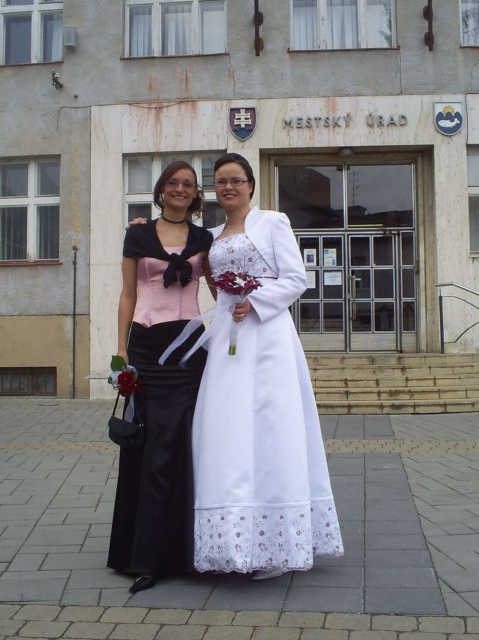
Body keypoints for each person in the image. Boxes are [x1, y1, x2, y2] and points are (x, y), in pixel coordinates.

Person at [187, 153, 344, 578]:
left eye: (236, 180)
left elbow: (296, 278)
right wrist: (139, 228)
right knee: (225, 428)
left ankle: (277, 544)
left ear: (251, 185)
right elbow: (176, 253)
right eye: (221, 181)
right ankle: (230, 541)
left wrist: (255, 301)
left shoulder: (273, 223)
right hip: (227, 341)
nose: (228, 187)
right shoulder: (210, 236)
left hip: (269, 337)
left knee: (273, 428)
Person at [107, 161, 213, 593]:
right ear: (161, 189)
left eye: (188, 184)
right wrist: (121, 348)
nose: (180, 189)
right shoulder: (138, 235)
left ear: (195, 193)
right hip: (148, 347)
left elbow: (220, 291)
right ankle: (145, 555)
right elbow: (128, 294)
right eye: (173, 183)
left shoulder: (205, 239)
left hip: (189, 349)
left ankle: (185, 551)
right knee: (148, 448)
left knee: (182, 446)